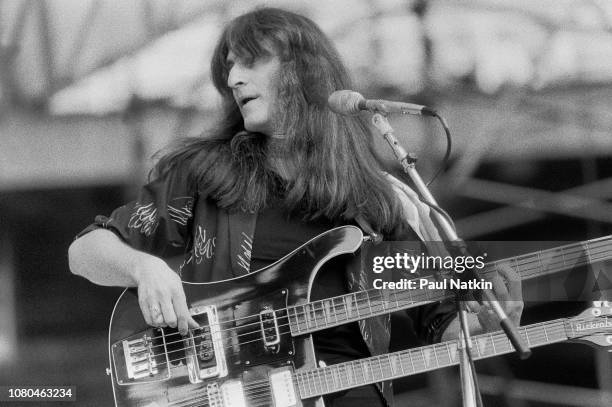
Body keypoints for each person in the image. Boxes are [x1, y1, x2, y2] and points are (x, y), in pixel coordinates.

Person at [68, 7, 522, 406]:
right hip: (240, 393)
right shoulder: (205, 172)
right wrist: (144, 269)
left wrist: (491, 322)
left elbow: (440, 323)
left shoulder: (376, 200)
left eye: (249, 61)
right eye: (228, 68)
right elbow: (85, 252)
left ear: (305, 70)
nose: (232, 79)